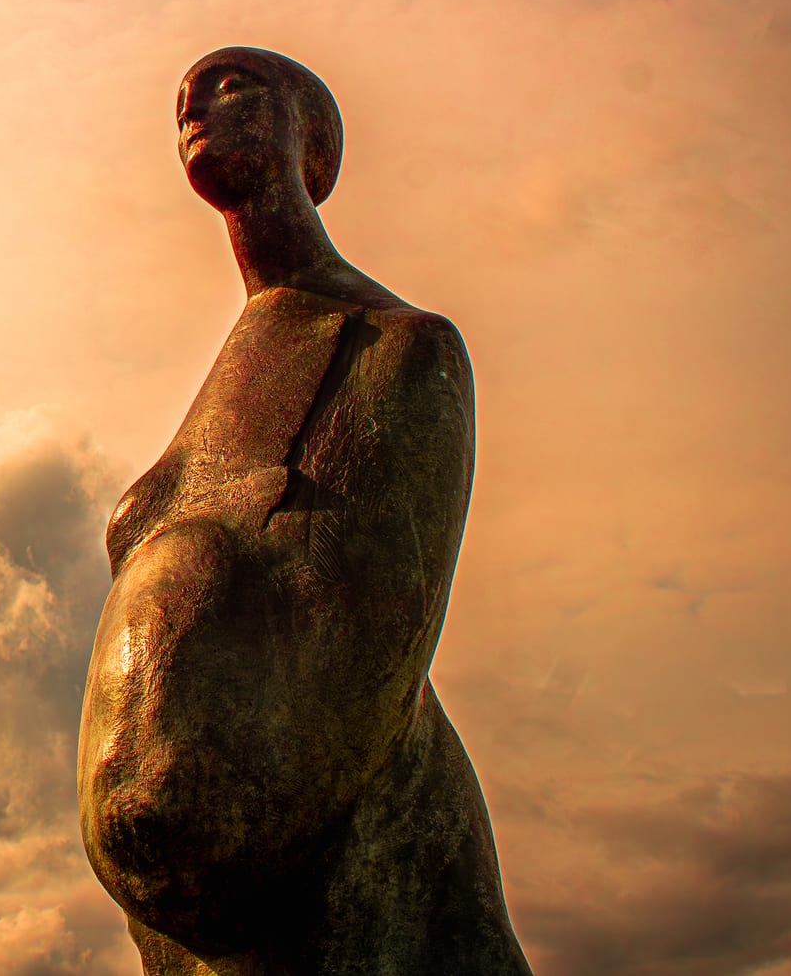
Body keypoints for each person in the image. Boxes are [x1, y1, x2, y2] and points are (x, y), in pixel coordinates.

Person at [77, 47, 531, 975]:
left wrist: (214, 837)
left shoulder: (399, 347)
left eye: (235, 85)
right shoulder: (243, 360)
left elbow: (367, 634)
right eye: (184, 99)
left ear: (310, 136)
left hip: (329, 904)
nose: (196, 105)